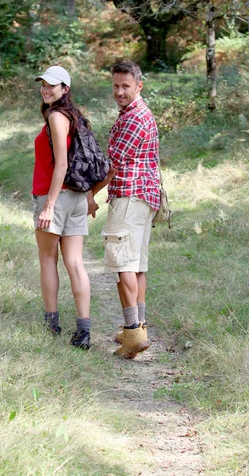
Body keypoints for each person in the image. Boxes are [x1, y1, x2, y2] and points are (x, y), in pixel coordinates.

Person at [87, 59, 160, 359]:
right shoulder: (139, 113)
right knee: (137, 265)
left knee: (124, 265)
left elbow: (112, 166)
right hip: (145, 198)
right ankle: (136, 327)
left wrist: (91, 194)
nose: (119, 91)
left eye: (125, 86)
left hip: (129, 198)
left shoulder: (133, 118)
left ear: (139, 86)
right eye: (116, 85)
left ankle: (133, 335)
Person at [32, 66, 91, 350]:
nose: (46, 89)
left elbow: (63, 164)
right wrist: (89, 196)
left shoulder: (56, 116)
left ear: (65, 89)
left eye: (52, 85)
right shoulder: (75, 116)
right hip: (77, 197)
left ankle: (52, 324)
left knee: (48, 259)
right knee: (75, 263)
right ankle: (83, 330)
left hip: (55, 196)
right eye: (43, 84)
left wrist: (49, 206)